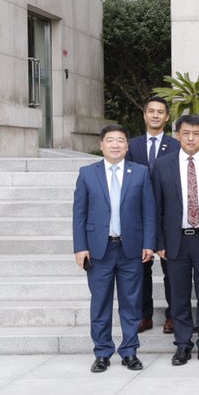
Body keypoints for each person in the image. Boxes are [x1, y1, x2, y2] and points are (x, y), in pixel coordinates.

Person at [72, 124, 156, 373]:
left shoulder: (140, 172)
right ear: (101, 145)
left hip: (131, 249)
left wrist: (149, 244)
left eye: (121, 140)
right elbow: (79, 214)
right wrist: (80, 247)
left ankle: (130, 351)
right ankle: (102, 352)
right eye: (110, 140)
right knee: (100, 303)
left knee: (131, 303)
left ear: (127, 146)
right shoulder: (87, 173)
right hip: (99, 250)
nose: (115, 145)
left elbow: (149, 212)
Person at [151, 115, 199, 366]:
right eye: (186, 133)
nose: (191, 138)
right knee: (179, 295)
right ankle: (183, 344)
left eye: (196, 134)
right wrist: (159, 242)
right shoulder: (163, 165)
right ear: (177, 135)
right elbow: (156, 209)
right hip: (175, 241)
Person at [125, 96, 180, 334]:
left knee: (172, 270)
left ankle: (173, 316)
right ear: (144, 115)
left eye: (160, 112)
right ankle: (143, 315)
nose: (156, 115)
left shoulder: (176, 145)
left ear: (167, 117)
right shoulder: (132, 145)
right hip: (139, 217)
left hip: (169, 217)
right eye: (151, 111)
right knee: (141, 269)